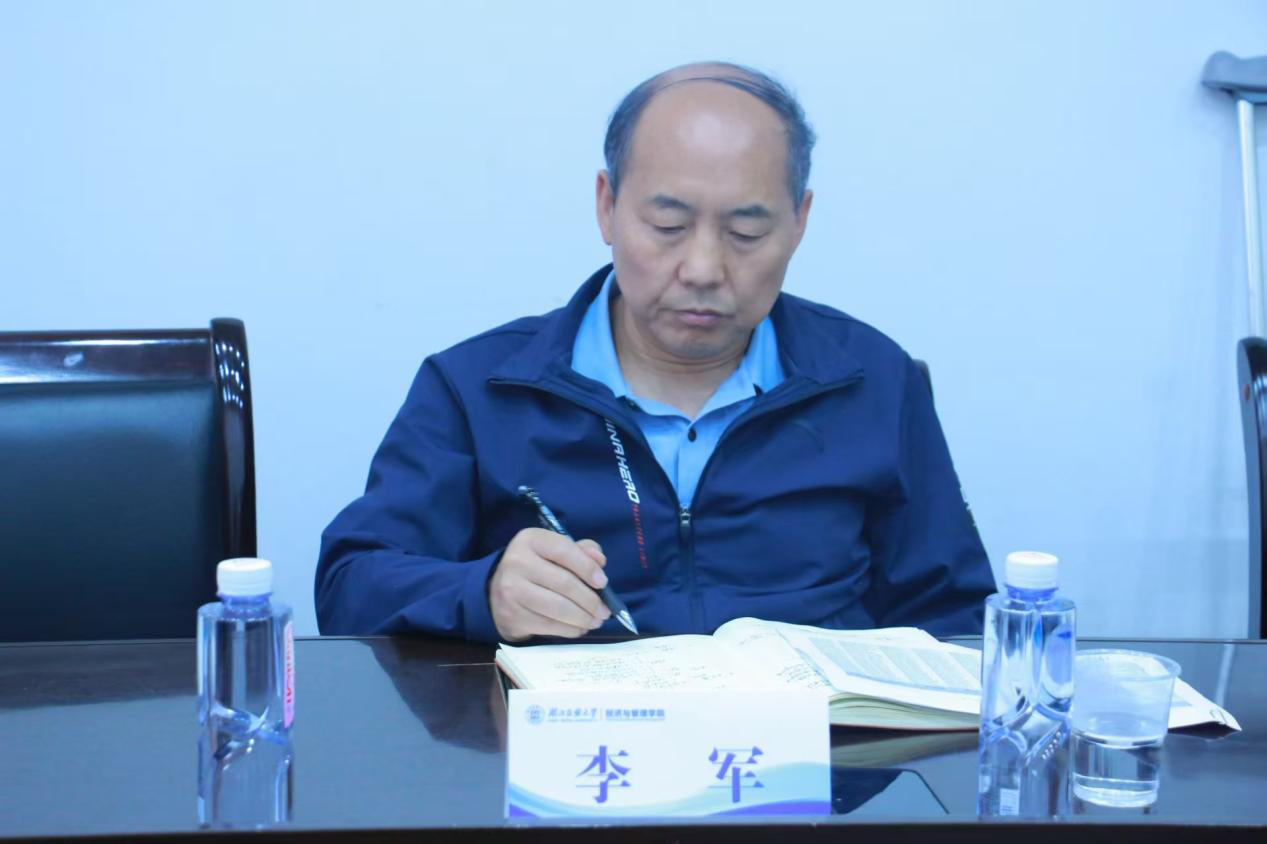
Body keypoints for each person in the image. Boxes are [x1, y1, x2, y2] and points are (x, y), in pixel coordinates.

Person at [316, 62, 995, 643]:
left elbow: (954, 615)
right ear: (606, 207)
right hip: (567, 746)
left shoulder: (871, 381)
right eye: (668, 224)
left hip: (816, 750)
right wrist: (483, 591)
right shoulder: (478, 389)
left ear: (799, 222)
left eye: (745, 233)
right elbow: (351, 584)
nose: (702, 268)